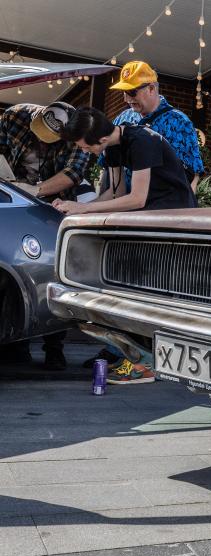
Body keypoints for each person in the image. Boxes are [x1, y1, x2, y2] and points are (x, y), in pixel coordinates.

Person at [54, 107, 197, 383]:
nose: (84, 151)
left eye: (85, 146)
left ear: (101, 139)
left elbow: (136, 198)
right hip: (150, 219)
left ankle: (149, 365)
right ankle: (138, 357)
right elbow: (115, 193)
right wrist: (74, 208)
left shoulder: (142, 140)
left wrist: (83, 209)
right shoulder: (113, 146)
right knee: (132, 288)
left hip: (173, 217)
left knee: (151, 292)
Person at [0, 102, 90, 370]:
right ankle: (17, 346)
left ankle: (55, 349)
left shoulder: (76, 133)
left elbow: (73, 173)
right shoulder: (14, 116)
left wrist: (35, 190)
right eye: (37, 134)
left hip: (56, 205)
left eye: (47, 139)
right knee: (20, 265)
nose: (40, 142)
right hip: (16, 197)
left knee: (51, 272)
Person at [107, 61, 204, 192]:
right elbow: (108, 167)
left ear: (151, 89)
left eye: (131, 92)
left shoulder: (179, 122)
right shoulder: (122, 118)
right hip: (123, 202)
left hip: (162, 202)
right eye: (124, 92)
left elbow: (192, 176)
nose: (126, 99)